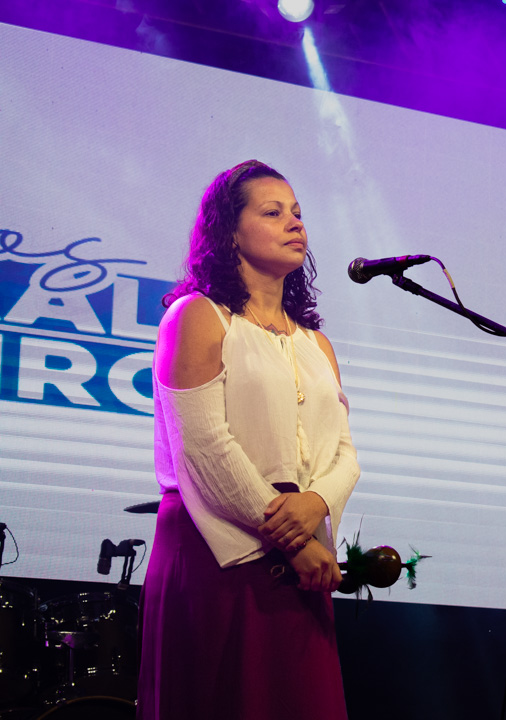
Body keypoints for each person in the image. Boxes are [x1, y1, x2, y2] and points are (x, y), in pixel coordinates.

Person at [137, 160, 361, 719]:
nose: (295, 224)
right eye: (273, 211)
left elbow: (343, 453)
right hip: (220, 549)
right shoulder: (198, 316)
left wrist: (317, 504)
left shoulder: (318, 344)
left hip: (301, 550)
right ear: (229, 231)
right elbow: (206, 449)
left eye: (298, 213)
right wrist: (295, 539)